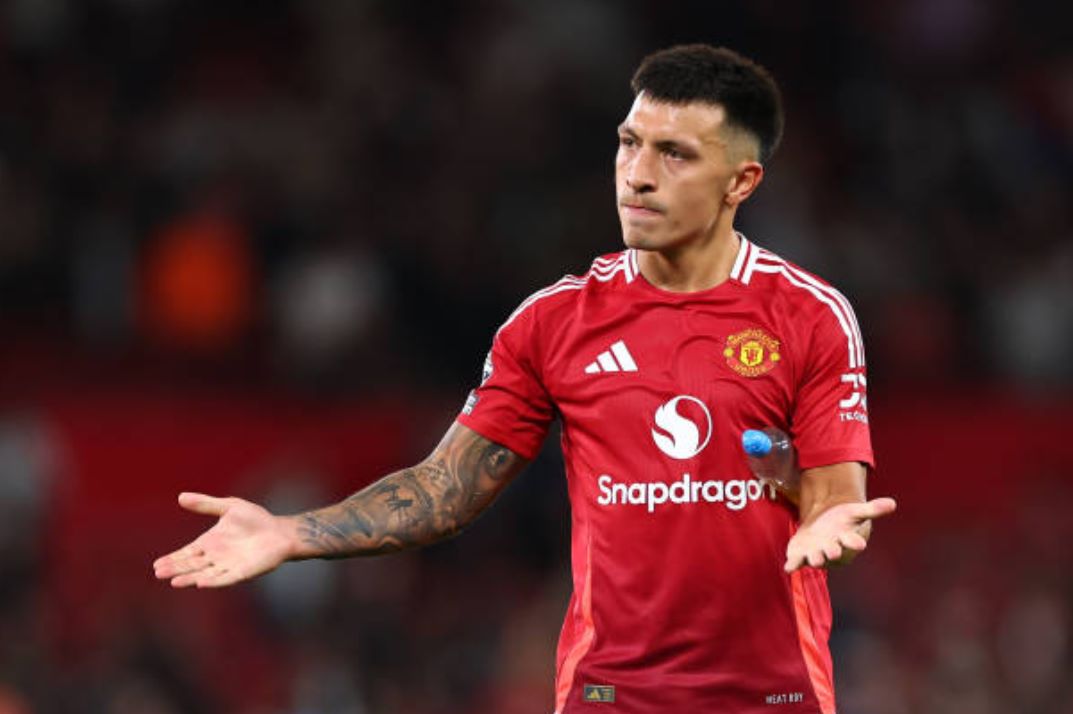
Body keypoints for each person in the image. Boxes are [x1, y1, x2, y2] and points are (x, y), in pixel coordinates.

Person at [154, 44, 896, 713]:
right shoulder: (553, 323)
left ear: (741, 181)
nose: (637, 175)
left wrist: (826, 521)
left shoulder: (809, 316)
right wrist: (292, 533)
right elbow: (444, 491)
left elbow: (837, 503)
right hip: (608, 696)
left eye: (674, 154)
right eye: (629, 143)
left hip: (772, 696)